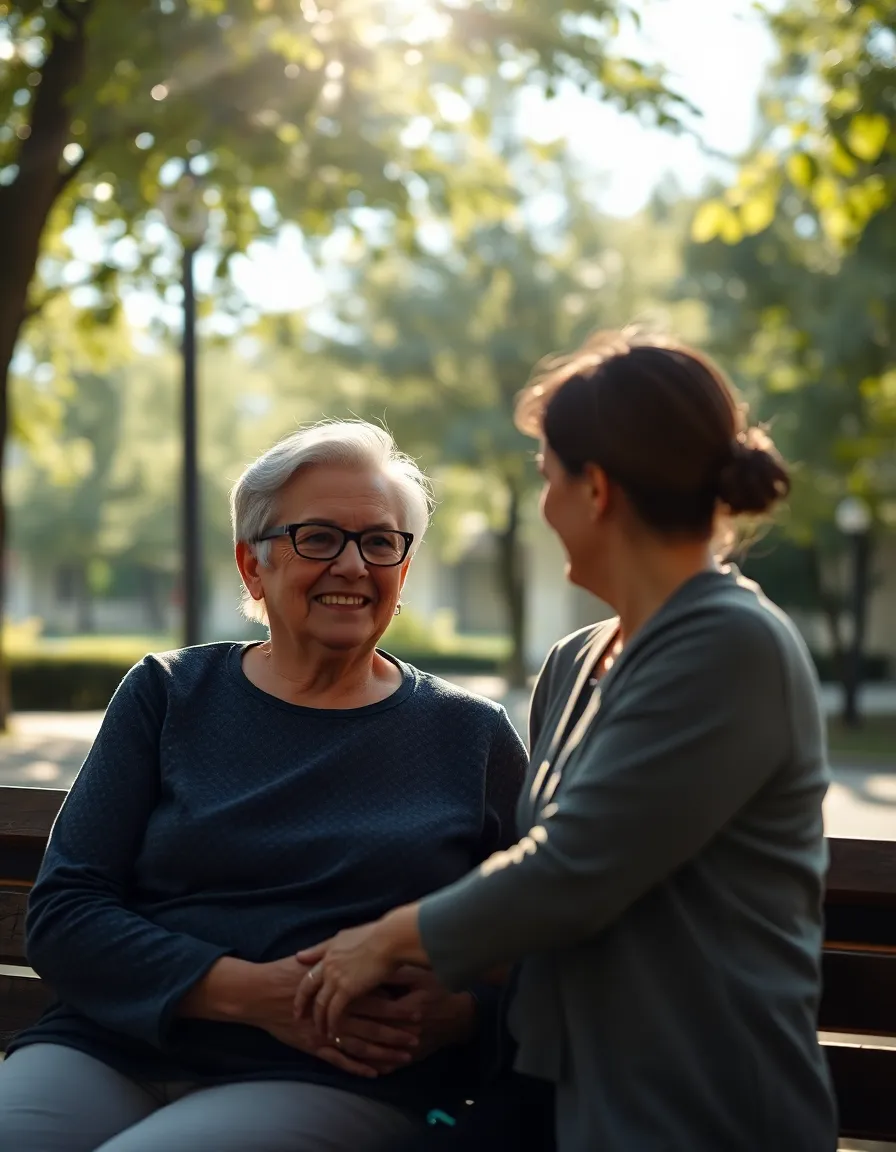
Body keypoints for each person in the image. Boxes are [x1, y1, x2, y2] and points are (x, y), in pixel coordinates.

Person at [294, 333, 840, 1152]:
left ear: (598, 489)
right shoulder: (576, 660)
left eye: (548, 476)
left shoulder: (732, 645)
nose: (543, 505)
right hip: (561, 1094)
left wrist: (381, 943)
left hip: (696, 1108)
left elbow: (572, 869)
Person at [0, 420, 527, 1152]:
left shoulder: (471, 736)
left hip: (330, 1074)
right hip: (110, 1047)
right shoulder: (169, 693)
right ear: (253, 568)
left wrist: (465, 1015)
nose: (352, 565)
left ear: (402, 575)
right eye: (318, 538)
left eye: (379, 542)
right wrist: (260, 996)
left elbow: (537, 935)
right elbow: (64, 912)